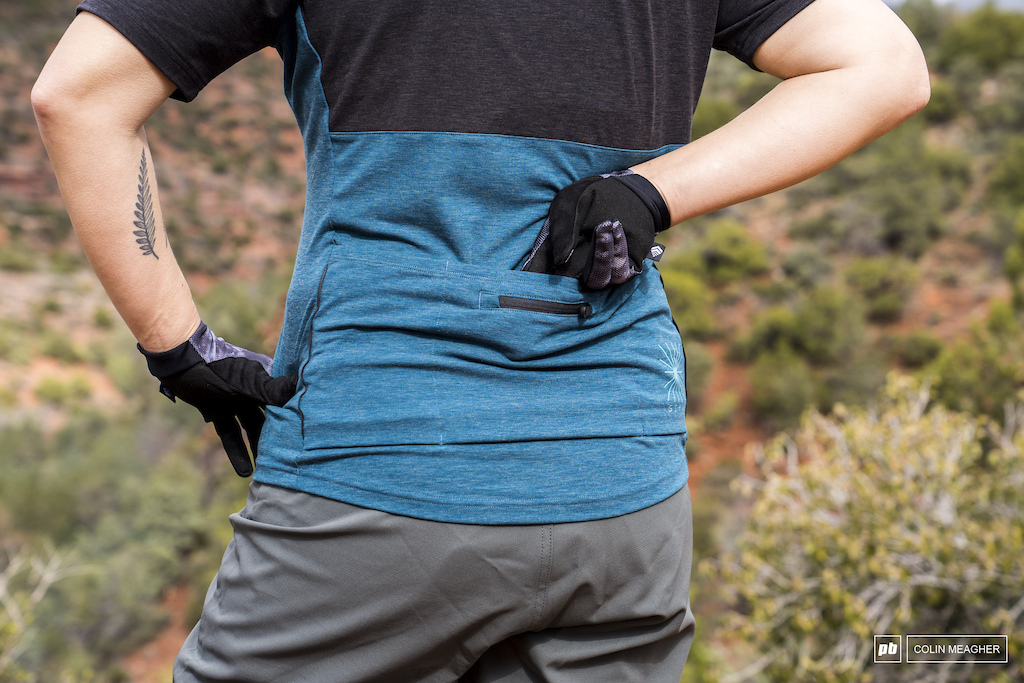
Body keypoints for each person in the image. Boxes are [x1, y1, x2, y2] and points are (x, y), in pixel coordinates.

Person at [32, 0, 929, 679]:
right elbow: (886, 66)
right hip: (623, 494)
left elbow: (78, 96)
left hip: (380, 472)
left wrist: (183, 350)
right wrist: (651, 193)